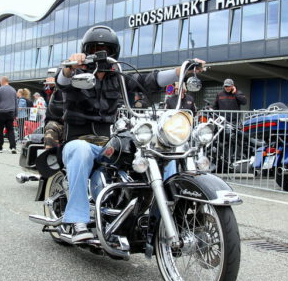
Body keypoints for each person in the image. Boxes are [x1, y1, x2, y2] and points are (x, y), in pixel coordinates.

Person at [56, 25, 205, 242]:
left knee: (159, 151)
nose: (101, 53)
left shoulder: (118, 77)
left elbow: (148, 80)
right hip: (77, 141)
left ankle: (168, 214)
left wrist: (180, 71)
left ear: (115, 52)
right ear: (86, 50)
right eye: (96, 48)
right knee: (80, 150)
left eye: (106, 49)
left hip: (107, 142)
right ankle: (77, 220)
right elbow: (63, 82)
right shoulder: (77, 73)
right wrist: (69, 66)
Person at [0, 76, 18, 153]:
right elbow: (16, 103)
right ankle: (13, 147)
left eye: (0, 80)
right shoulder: (13, 90)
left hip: (1, 112)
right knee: (10, 130)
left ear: (3, 81)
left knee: (0, 130)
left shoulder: (0, 89)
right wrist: (16, 114)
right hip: (10, 113)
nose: (0, 82)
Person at [43, 79, 64, 150]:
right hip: (61, 123)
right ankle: (51, 156)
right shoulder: (54, 94)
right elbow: (50, 114)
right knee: (50, 128)